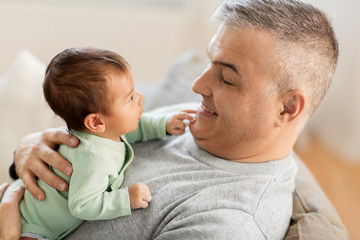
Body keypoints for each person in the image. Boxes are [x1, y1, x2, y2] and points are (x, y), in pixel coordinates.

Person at [9, 0, 339, 239]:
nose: (197, 86)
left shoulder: (226, 224)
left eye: (226, 78)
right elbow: (99, 133)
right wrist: (34, 148)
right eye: (210, 63)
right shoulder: (193, 118)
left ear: (288, 108)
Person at [2, 47, 195, 240]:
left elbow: (138, 127)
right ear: (96, 122)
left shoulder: (105, 132)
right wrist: (125, 199)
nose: (141, 97)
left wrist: (164, 124)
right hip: (30, 223)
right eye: (130, 98)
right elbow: (82, 205)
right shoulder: (92, 157)